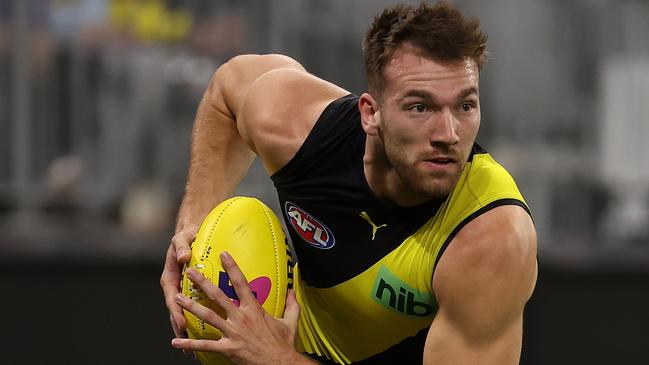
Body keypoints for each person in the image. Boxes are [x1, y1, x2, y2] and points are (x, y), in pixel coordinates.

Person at [160, 2, 538, 364]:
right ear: (371, 114)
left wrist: (276, 359)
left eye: (465, 106)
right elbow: (227, 89)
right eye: (420, 107)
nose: (448, 133)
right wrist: (192, 229)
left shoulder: (491, 237)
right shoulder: (297, 129)